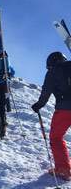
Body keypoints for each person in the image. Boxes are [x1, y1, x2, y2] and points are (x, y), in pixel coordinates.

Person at [31, 52, 71, 181]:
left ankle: (63, 169)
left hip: (64, 109)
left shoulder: (53, 72)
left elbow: (46, 92)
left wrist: (38, 105)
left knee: (56, 137)